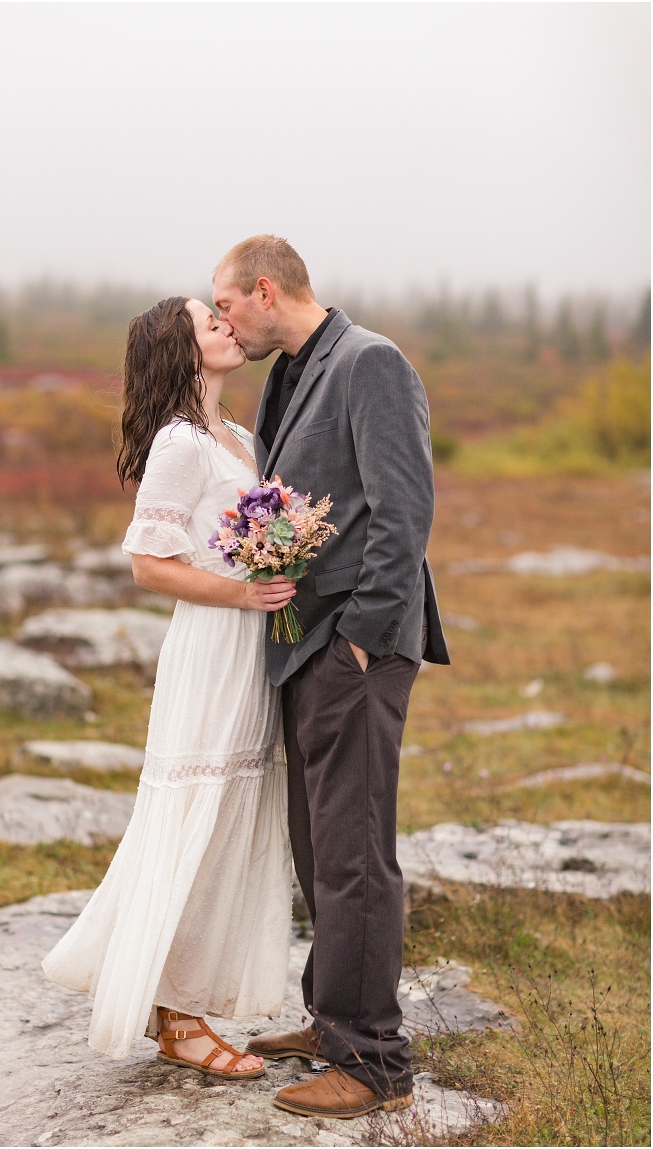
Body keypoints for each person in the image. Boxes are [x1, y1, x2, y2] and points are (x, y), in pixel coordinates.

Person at [212, 236, 450, 1118]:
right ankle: (333, 1020)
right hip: (305, 643)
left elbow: (405, 507)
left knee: (353, 852)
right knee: (319, 844)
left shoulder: (370, 362)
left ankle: (376, 1062)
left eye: (228, 304)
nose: (225, 322)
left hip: (355, 645)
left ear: (265, 290)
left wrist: (359, 635)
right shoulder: (292, 371)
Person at [42, 296, 295, 1078]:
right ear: (178, 351)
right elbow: (150, 564)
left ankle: (175, 996)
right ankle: (178, 1019)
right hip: (213, 646)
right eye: (204, 321)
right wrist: (245, 593)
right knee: (201, 815)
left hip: (252, 646)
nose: (223, 324)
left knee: (231, 819)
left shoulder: (239, 436)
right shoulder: (181, 442)